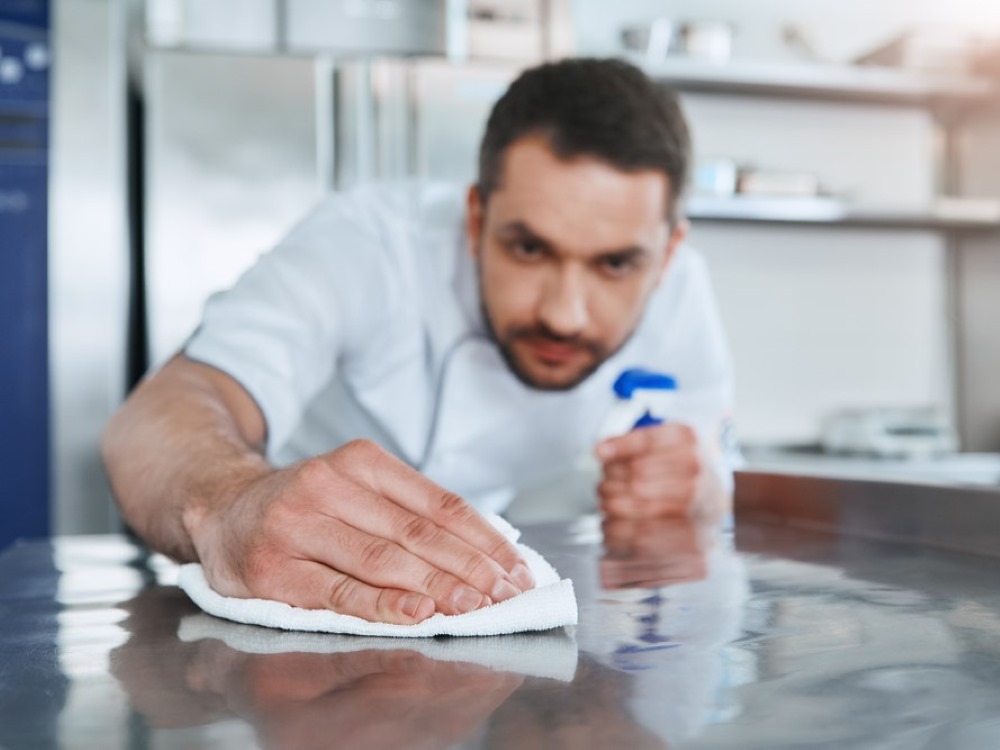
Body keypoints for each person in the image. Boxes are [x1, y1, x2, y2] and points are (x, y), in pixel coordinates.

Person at [102, 57, 735, 626]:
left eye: (615, 265)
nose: (565, 315)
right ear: (476, 218)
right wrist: (230, 501)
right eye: (529, 248)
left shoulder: (681, 293)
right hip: (298, 599)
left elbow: (710, 465)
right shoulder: (368, 244)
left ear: (667, 253)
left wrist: (698, 486)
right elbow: (161, 413)